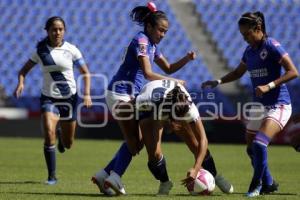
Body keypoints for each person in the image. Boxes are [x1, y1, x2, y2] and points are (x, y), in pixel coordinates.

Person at [91, 1, 196, 196]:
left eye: (166, 32)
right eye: (161, 30)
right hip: (121, 93)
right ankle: (114, 177)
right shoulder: (142, 41)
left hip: (127, 95)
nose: (163, 35)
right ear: (149, 27)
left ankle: (103, 175)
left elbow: (168, 67)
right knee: (134, 143)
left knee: (137, 142)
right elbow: (148, 73)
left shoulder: (152, 45)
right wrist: (174, 82)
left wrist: (186, 59)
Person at [201, 11, 298, 197]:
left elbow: (293, 71)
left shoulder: (271, 46)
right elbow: (238, 73)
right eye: (242, 35)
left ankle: (256, 185)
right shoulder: (249, 51)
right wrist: (218, 82)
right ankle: (268, 183)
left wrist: (269, 85)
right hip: (259, 106)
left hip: (279, 104)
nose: (245, 38)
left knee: (260, 145)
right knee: (250, 147)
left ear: (258, 29)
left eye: (247, 34)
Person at [14, 16, 92, 185]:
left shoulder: (72, 50)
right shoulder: (40, 52)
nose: (57, 32)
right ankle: (52, 176)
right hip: (48, 98)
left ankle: (61, 137)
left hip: (69, 99)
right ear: (47, 31)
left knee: (68, 144)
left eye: (60, 29)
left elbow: (86, 73)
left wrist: (87, 94)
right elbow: (22, 71)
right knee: (48, 134)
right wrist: (21, 83)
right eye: (53, 29)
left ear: (64, 31)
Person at [135, 79, 233, 195]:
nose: (180, 122)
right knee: (154, 154)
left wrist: (196, 168)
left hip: (167, 103)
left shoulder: (189, 108)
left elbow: (203, 139)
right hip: (149, 107)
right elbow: (133, 110)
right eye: (177, 119)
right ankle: (165, 182)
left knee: (197, 147)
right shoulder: (152, 104)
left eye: (182, 118)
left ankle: (215, 176)